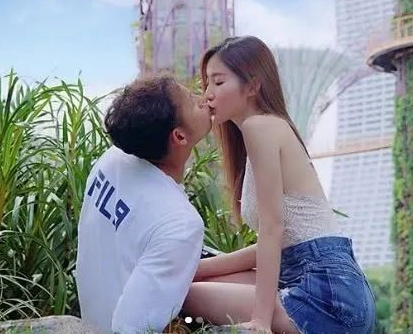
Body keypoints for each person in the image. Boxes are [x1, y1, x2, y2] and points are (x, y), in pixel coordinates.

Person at [184, 36, 376, 334]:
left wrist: (260, 322)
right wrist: (194, 269)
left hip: (328, 294)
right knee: (185, 282)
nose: (208, 94)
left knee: (183, 293)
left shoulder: (260, 127)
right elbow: (282, 241)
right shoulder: (263, 131)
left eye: (218, 82)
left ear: (252, 86)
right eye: (207, 83)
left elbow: (272, 228)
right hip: (323, 281)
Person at [76, 75, 213, 333]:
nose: (204, 99)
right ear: (179, 136)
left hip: (93, 318)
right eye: (193, 101)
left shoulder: (112, 160)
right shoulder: (180, 223)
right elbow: (131, 328)